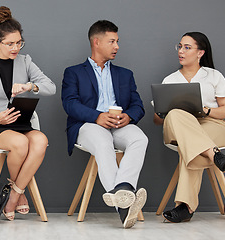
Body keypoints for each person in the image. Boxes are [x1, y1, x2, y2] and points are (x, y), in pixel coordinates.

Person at [61, 20, 148, 228]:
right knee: (102, 141)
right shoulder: (74, 72)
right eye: (112, 41)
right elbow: (70, 104)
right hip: (87, 125)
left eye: (117, 41)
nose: (117, 46)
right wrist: (97, 116)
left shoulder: (125, 74)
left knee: (140, 138)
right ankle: (124, 205)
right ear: (97, 42)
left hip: (119, 125)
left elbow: (138, 105)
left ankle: (121, 190)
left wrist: (128, 116)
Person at [0, 6, 56, 221]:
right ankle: (17, 193)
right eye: (10, 44)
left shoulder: (25, 61)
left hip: (22, 124)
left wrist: (29, 86)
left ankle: (14, 193)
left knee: (40, 140)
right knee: (20, 144)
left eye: (19, 42)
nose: (16, 48)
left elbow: (51, 87)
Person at [153, 32, 225, 223]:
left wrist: (205, 111)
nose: (181, 51)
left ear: (200, 53)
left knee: (192, 148)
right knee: (175, 114)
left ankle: (185, 208)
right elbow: (157, 120)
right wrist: (168, 110)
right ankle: (215, 155)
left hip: (211, 126)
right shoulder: (169, 80)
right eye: (179, 46)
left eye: (187, 47)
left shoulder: (214, 76)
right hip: (178, 127)